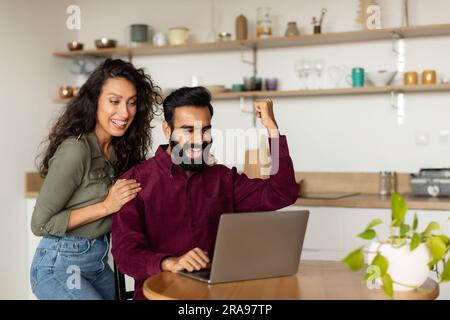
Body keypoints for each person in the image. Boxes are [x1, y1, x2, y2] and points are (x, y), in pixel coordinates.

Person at [112, 86, 299, 299]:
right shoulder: (134, 181)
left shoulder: (223, 178)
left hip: (216, 296)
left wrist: (272, 130)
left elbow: (283, 193)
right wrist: (170, 262)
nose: (200, 140)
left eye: (205, 130)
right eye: (188, 130)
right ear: (167, 130)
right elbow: (125, 253)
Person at [30, 59, 162, 299]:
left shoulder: (121, 151)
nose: (125, 112)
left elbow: (149, 184)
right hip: (59, 265)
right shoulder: (76, 150)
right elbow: (40, 224)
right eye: (114, 101)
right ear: (95, 101)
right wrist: (106, 206)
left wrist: (191, 162)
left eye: (131, 103)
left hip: (99, 265)